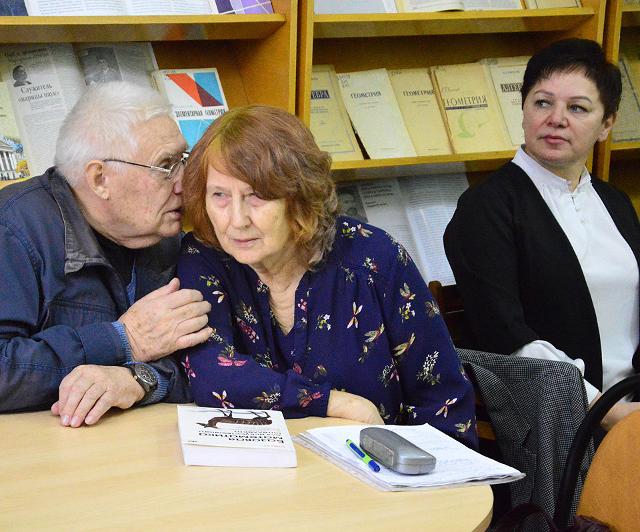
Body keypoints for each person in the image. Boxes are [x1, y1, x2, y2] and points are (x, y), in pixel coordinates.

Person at [0, 82, 214, 428]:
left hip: (82, 442)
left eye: (183, 160)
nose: (184, 183)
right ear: (99, 179)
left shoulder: (164, 237)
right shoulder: (5, 234)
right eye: (166, 166)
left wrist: (140, 380)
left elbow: (209, 359)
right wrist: (123, 340)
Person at [178, 105, 477, 447]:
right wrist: (338, 404)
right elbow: (210, 373)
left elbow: (444, 403)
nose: (237, 220)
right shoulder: (204, 256)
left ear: (298, 196)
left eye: (256, 197)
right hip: (256, 473)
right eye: (219, 195)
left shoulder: (374, 259)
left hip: (379, 468)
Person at [444, 39, 640, 430]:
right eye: (543, 102)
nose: (556, 119)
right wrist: (606, 413)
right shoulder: (485, 208)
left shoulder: (615, 202)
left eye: (577, 108)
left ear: (606, 124)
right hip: (560, 424)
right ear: (523, 110)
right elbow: (509, 339)